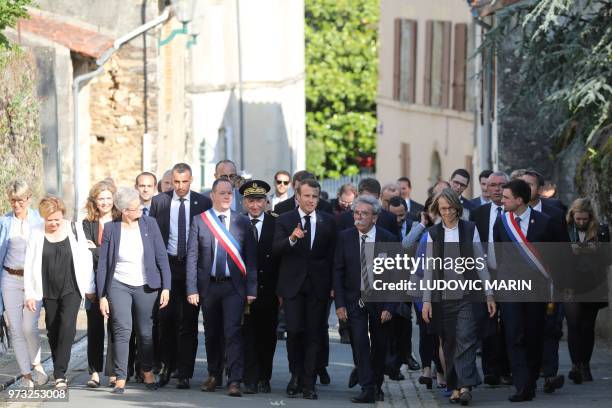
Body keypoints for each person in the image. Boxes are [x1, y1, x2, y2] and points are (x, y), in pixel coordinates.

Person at [421, 188, 496, 405]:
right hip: (442, 297)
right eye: (442, 209)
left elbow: (480, 264)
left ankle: (465, 387)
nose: (446, 213)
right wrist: (426, 301)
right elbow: (429, 270)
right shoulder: (433, 234)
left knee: (466, 338)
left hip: (467, 294)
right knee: (450, 344)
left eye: (450, 208)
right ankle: (455, 386)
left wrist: (489, 294)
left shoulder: (469, 229)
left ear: (457, 207)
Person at [186, 178, 257, 397]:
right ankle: (213, 374)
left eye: (230, 193)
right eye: (223, 193)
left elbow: (251, 258)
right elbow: (192, 257)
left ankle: (234, 379)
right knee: (212, 333)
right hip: (209, 287)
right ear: (213, 196)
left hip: (233, 288)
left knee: (233, 333)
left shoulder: (242, 222)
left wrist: (252, 289)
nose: (227, 197)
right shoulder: (200, 221)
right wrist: (191, 289)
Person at [97, 187, 171, 394]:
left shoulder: (150, 224)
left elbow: (161, 257)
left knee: (145, 331)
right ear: (123, 211)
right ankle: (121, 376)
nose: (140, 209)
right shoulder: (112, 229)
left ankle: (146, 370)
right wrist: (102, 295)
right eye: (134, 207)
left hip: (146, 285)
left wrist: (166, 286)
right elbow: (103, 263)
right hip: (119, 284)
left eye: (139, 205)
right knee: (122, 329)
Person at [149, 163, 212, 388]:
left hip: (192, 268)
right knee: (165, 319)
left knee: (189, 321)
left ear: (191, 180)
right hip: (167, 265)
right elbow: (153, 237)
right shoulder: (160, 202)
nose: (181, 186)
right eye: (176, 182)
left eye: (185, 182)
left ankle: (185, 372)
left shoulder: (203, 203)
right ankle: (167, 367)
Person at [493, 179, 556, 402]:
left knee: (533, 336)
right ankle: (522, 386)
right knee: (513, 335)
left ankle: (530, 381)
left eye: (507, 197)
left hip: (537, 291)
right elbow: (499, 259)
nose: (502, 200)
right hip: (511, 289)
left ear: (519, 200)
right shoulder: (502, 223)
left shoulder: (545, 223)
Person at [273, 178, 337, 400]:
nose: (311, 200)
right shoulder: (284, 219)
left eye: (315, 196)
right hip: (292, 286)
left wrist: (332, 287)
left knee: (313, 334)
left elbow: (332, 257)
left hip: (318, 287)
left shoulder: (329, 221)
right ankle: (295, 376)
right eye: (307, 196)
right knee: (295, 332)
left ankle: (309, 383)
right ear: (297, 197)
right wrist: (292, 237)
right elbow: (276, 249)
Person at [24, 196, 95, 390]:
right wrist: (29, 293)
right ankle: (58, 368)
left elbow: (86, 259)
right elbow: (29, 264)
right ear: (43, 218)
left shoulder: (74, 228)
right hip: (47, 289)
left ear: (62, 215)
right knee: (53, 329)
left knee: (68, 327)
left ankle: (60, 375)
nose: (54, 223)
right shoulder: (36, 232)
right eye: (49, 220)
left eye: (57, 219)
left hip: (72, 287)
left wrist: (90, 287)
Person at [333, 195, 396, 403]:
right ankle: (367, 387)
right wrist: (340, 304)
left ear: (375, 218)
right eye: (356, 213)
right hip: (354, 299)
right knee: (359, 342)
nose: (359, 217)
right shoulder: (345, 237)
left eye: (364, 214)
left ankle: (376, 384)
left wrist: (390, 306)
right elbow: (338, 272)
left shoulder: (387, 239)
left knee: (379, 345)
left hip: (379, 299)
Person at [0, 180, 47, 388]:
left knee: (29, 327)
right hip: (9, 278)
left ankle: (36, 363)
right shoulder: (4, 222)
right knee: (16, 330)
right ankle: (26, 376)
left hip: (33, 281)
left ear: (28, 199)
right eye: (12, 200)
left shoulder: (39, 221)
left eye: (19, 200)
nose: (16, 204)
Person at [469, 171, 512, 387]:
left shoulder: (513, 212)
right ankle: (490, 371)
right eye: (492, 185)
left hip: (508, 275)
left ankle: (506, 369)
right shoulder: (479, 213)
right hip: (484, 274)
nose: (495, 189)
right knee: (486, 324)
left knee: (508, 323)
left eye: (500, 185)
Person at [238, 180, 280, 394]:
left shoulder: (276, 223)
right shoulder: (237, 223)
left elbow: (282, 260)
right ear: (244, 202)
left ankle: (265, 376)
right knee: (247, 335)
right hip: (242, 290)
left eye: (259, 201)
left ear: (266, 202)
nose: (255, 206)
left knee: (267, 336)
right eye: (251, 201)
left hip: (268, 290)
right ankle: (250, 377)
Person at [401, 196, 446, 389]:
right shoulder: (419, 227)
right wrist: (421, 224)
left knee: (439, 333)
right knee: (425, 330)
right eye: (431, 209)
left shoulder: (448, 230)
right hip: (420, 287)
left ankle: (441, 370)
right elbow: (406, 244)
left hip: (442, 288)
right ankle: (427, 368)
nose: (434, 213)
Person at [564, 198, 610, 384]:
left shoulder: (601, 230)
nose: (581, 222)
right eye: (578, 219)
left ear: (590, 217)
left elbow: (608, 258)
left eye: (584, 219)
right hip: (570, 283)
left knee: (587, 326)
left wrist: (596, 251)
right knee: (573, 325)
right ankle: (576, 365)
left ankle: (585, 365)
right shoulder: (565, 230)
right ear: (572, 216)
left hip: (593, 282)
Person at [82, 181, 122, 388]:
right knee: (95, 328)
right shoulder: (87, 223)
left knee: (115, 328)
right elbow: (85, 254)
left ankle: (114, 372)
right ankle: (94, 372)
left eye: (108, 198)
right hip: (93, 282)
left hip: (116, 281)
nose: (105, 202)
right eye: (101, 198)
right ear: (94, 201)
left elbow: (114, 254)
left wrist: (97, 250)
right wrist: (99, 252)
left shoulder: (119, 220)